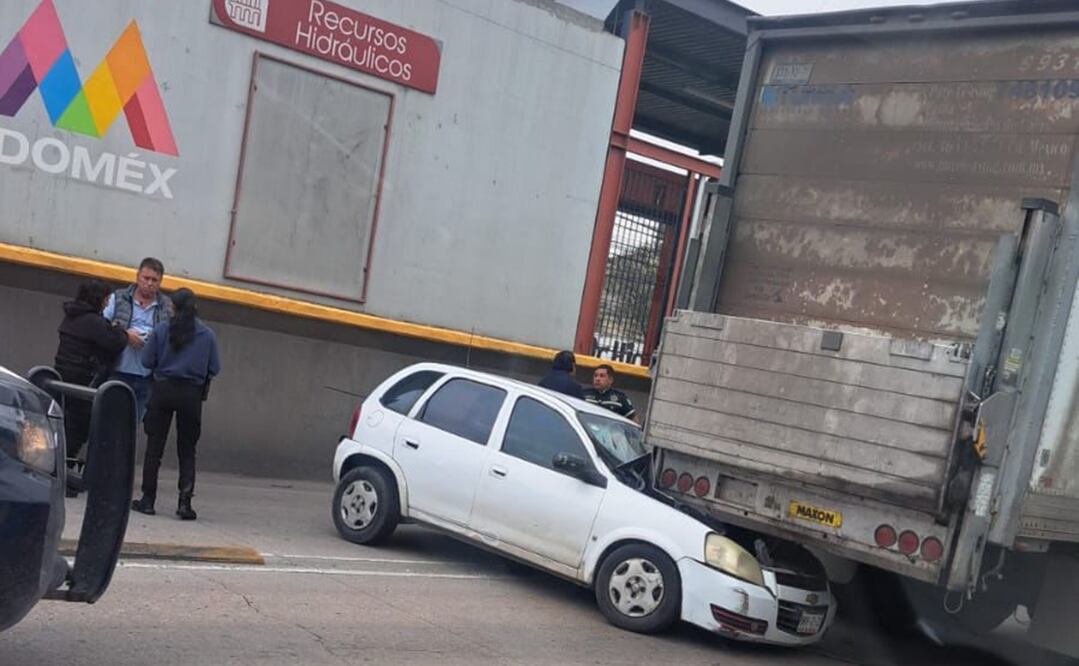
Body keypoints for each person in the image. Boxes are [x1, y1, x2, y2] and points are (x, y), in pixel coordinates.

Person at [132, 289, 220, 520]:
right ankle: (184, 503)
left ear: (174, 307)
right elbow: (215, 367)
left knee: (154, 448)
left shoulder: (161, 330)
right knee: (187, 449)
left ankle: (148, 500)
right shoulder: (207, 335)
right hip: (191, 395)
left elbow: (147, 360)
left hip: (163, 390)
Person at [54, 279, 129, 495]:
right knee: (77, 429)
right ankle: (65, 476)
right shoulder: (93, 323)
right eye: (106, 299)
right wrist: (121, 332)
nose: (107, 303)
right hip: (84, 380)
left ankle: (60, 472)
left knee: (65, 425)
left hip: (63, 376)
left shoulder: (71, 316)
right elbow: (115, 343)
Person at [103, 257, 173, 422]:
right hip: (117, 371)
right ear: (137, 276)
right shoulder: (118, 298)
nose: (149, 283)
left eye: (154, 280)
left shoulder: (167, 306)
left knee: (132, 424)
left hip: (146, 376)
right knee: (109, 420)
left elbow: (172, 336)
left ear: (160, 282)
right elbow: (103, 326)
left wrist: (154, 339)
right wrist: (125, 335)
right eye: (146, 278)